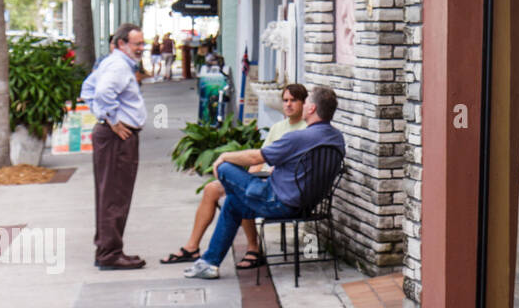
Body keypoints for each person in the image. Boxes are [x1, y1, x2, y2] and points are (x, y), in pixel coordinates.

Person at [184, 86, 346, 279]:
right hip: (308, 206)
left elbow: (256, 158)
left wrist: (225, 155)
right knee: (233, 203)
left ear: (311, 109)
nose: (302, 107)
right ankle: (209, 264)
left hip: (278, 202)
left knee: (226, 168)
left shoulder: (299, 137)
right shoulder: (337, 138)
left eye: (306, 103)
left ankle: (216, 255)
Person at [161, 84, 309, 269]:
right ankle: (192, 247)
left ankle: (253, 248)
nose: (288, 105)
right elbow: (260, 158)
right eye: (285, 100)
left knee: (240, 192)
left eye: (293, 100)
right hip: (260, 178)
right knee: (211, 189)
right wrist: (248, 176)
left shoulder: (305, 130)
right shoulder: (278, 127)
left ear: (304, 103)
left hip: (277, 186)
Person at [80, 23, 149, 271]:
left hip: (113, 135)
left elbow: (88, 89)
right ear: (122, 44)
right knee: (115, 195)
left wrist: (106, 116)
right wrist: (113, 121)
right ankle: (110, 252)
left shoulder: (113, 63)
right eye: (137, 44)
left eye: (143, 43)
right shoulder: (119, 66)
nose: (142, 48)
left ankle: (107, 249)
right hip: (117, 137)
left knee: (110, 193)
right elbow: (101, 93)